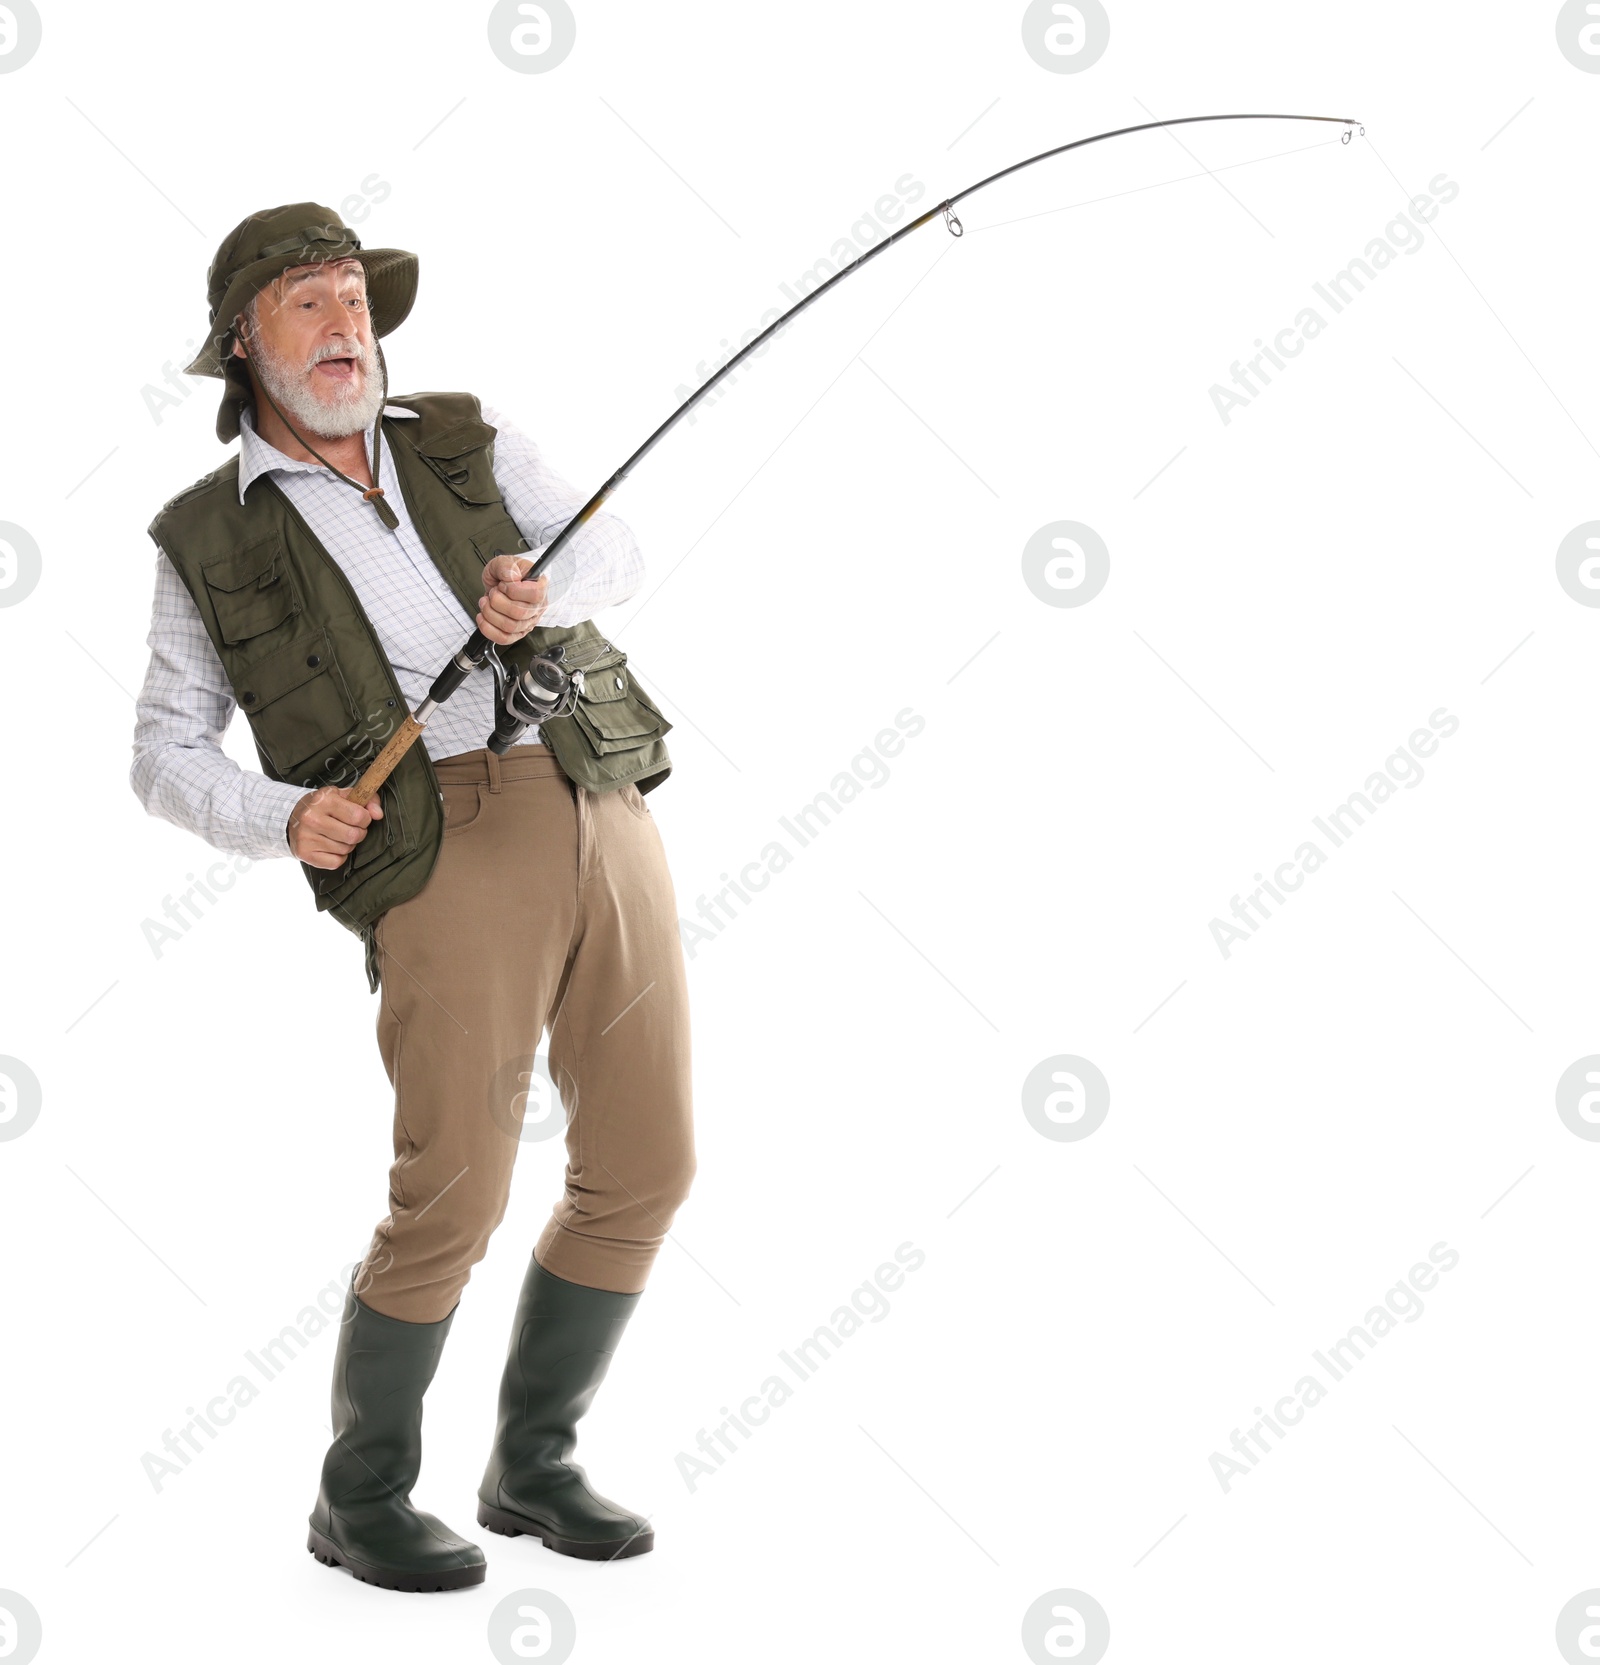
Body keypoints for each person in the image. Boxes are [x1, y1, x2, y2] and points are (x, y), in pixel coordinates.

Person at [130, 202, 695, 1591]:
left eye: (354, 298)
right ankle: (362, 1493)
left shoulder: (469, 432)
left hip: (595, 795)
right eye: (308, 304)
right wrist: (284, 816)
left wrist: (541, 580)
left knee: (649, 1157)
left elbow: (619, 554)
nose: (346, 326)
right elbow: (161, 750)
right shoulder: (208, 534)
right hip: (436, 847)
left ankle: (534, 1464)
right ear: (242, 344)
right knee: (454, 1187)